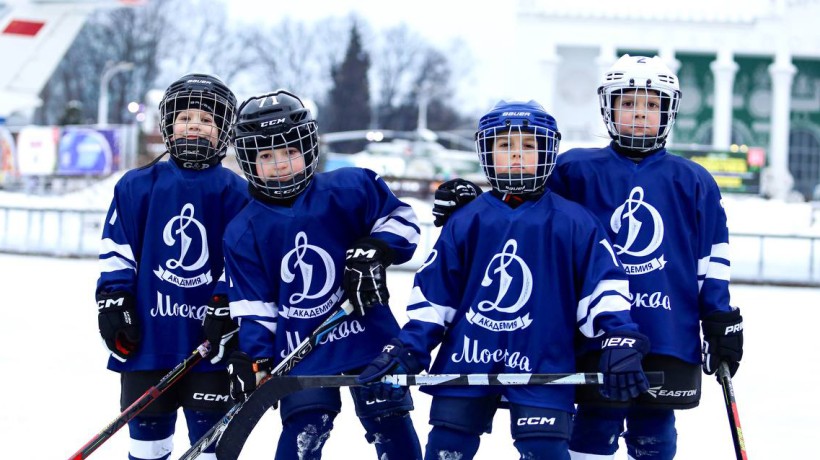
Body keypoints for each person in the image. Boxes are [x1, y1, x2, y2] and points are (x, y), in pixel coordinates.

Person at [431, 55, 745, 460]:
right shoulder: (575, 169)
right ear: (609, 107)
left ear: (668, 110)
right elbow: (525, 197)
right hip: (592, 332)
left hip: (668, 329)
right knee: (595, 424)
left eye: (651, 105)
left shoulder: (694, 180)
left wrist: (718, 318)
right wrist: (475, 204)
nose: (639, 114)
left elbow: (711, 259)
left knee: (656, 432)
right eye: (628, 103)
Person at [357, 100, 650, 460]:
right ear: (487, 151)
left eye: (528, 146)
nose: (516, 156)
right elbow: (435, 298)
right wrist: (406, 348)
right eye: (505, 145)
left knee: (545, 451)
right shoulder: (467, 221)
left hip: (544, 361)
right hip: (467, 359)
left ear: (547, 152)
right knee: (447, 447)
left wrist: (618, 336)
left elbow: (604, 287)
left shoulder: (575, 221)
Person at [222, 89, 423, 460]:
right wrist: (255, 357)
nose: (280, 163)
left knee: (389, 419)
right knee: (305, 427)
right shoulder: (242, 230)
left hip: (368, 336)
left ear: (308, 148)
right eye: (266, 155)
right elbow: (255, 307)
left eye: (289, 151)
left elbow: (404, 222)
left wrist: (376, 248)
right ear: (249, 160)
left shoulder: (351, 187)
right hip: (301, 349)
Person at [95, 73, 249, 460]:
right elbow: (118, 250)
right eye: (185, 117)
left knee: (211, 452)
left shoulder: (237, 192)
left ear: (223, 131)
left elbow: (246, 260)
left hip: (212, 347)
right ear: (167, 125)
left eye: (207, 119)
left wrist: (228, 304)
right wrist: (113, 300)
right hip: (149, 342)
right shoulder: (136, 185)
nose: (194, 124)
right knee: (148, 450)